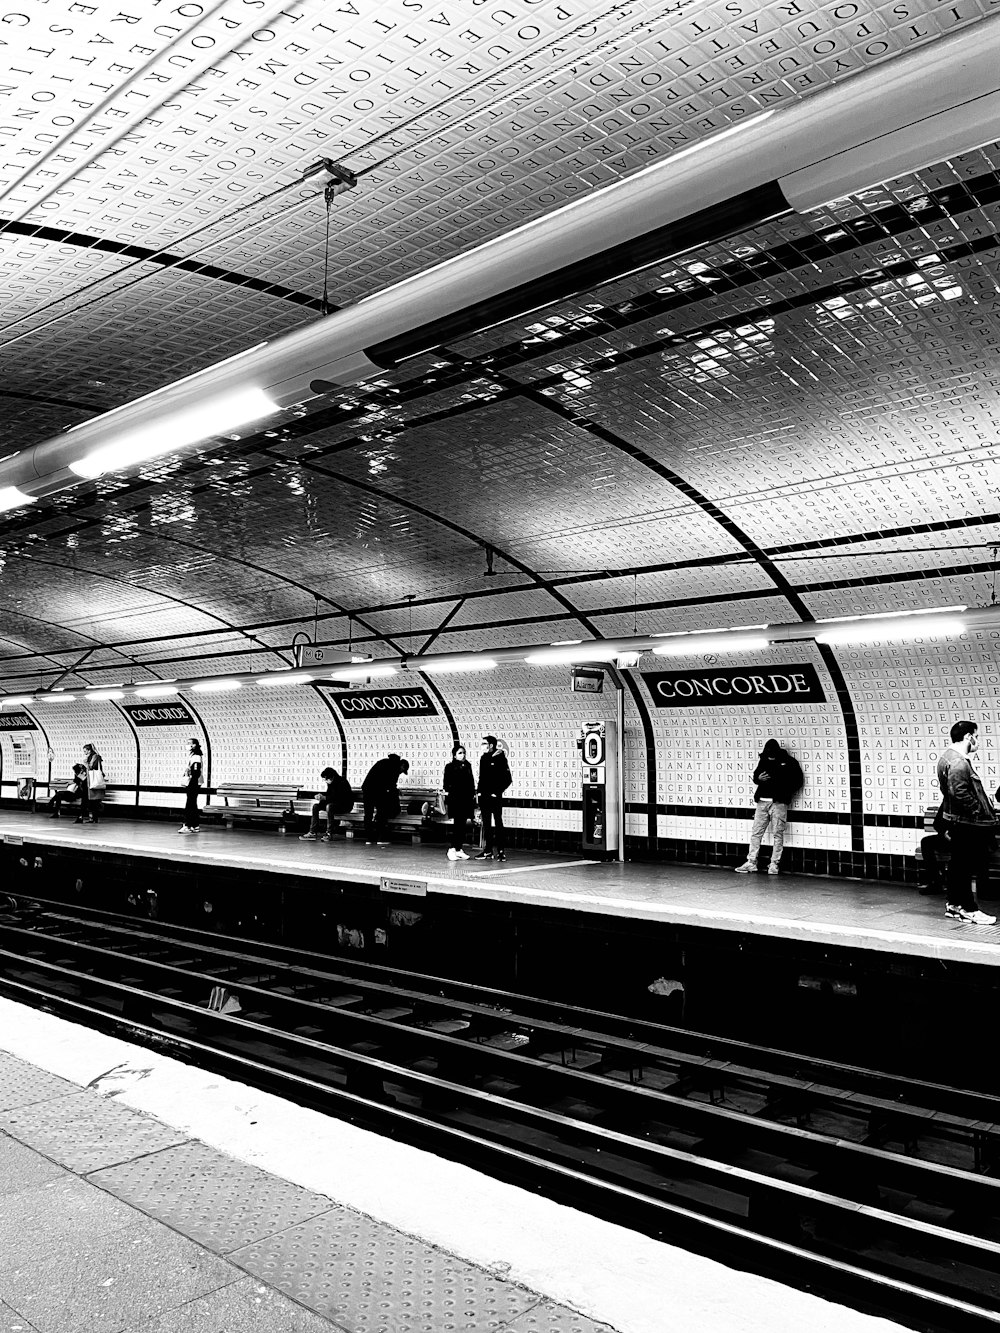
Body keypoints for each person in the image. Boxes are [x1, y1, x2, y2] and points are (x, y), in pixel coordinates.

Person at [936, 720, 998, 925]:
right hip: (967, 823)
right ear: (968, 737)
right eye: (976, 736)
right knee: (965, 866)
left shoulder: (947, 758)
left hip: (957, 821)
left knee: (957, 865)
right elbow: (959, 792)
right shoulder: (959, 762)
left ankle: (954, 905)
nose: (977, 741)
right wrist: (978, 810)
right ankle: (969, 909)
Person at [735, 738, 803, 875]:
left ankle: (774, 864)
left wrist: (784, 791)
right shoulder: (764, 760)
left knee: (777, 833)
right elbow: (755, 776)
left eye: (772, 754)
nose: (770, 756)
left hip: (779, 803)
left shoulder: (789, 762)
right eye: (768, 754)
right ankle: (751, 862)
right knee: (756, 832)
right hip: (762, 801)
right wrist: (758, 778)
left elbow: (798, 781)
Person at [476, 735, 512, 863]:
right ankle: (488, 850)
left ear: (491, 745)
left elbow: (508, 779)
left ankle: (501, 851)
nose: (483, 746)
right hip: (484, 796)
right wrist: (479, 792)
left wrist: (497, 792)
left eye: (485, 743)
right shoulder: (483, 758)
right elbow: (481, 777)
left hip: (495, 797)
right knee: (486, 824)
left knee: (498, 823)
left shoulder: (501, 758)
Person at [361, 753, 409, 846]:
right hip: (377, 790)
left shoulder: (384, 762)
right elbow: (390, 785)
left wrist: (394, 790)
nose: (401, 773)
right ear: (402, 765)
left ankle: (369, 838)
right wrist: (395, 792)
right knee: (381, 813)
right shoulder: (395, 768)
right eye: (403, 770)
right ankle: (381, 838)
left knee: (368, 814)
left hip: (367, 789)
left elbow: (388, 783)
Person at [301, 766, 355, 840]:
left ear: (331, 777)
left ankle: (329, 833)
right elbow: (329, 795)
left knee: (329, 806)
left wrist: (325, 798)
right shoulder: (331, 783)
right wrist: (321, 799)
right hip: (333, 805)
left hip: (344, 806)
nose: (326, 782)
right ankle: (312, 832)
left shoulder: (342, 782)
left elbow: (339, 798)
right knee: (316, 806)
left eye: (326, 780)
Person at [442, 743, 475, 861]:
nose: (463, 755)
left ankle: (458, 848)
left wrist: (472, 796)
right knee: (457, 824)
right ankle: (452, 848)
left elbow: (471, 782)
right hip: (456, 799)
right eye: (460, 753)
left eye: (464, 752)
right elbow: (447, 783)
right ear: (454, 755)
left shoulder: (468, 766)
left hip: (466, 799)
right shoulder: (450, 767)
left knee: (462, 825)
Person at [178, 738, 203, 835]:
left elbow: (195, 771)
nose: (187, 745)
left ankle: (187, 825)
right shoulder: (195, 755)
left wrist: (191, 783)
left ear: (194, 745)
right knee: (193, 804)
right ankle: (195, 825)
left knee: (189, 804)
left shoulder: (196, 757)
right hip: (195, 783)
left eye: (189, 743)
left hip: (193, 783)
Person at [77, 742, 106, 824]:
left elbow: (91, 767)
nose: (84, 753)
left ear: (89, 750)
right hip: (89, 782)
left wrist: (85, 763)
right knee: (91, 801)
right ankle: (92, 818)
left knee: (94, 801)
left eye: (85, 751)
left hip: (93, 781)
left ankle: (94, 818)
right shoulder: (91, 756)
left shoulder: (95, 756)